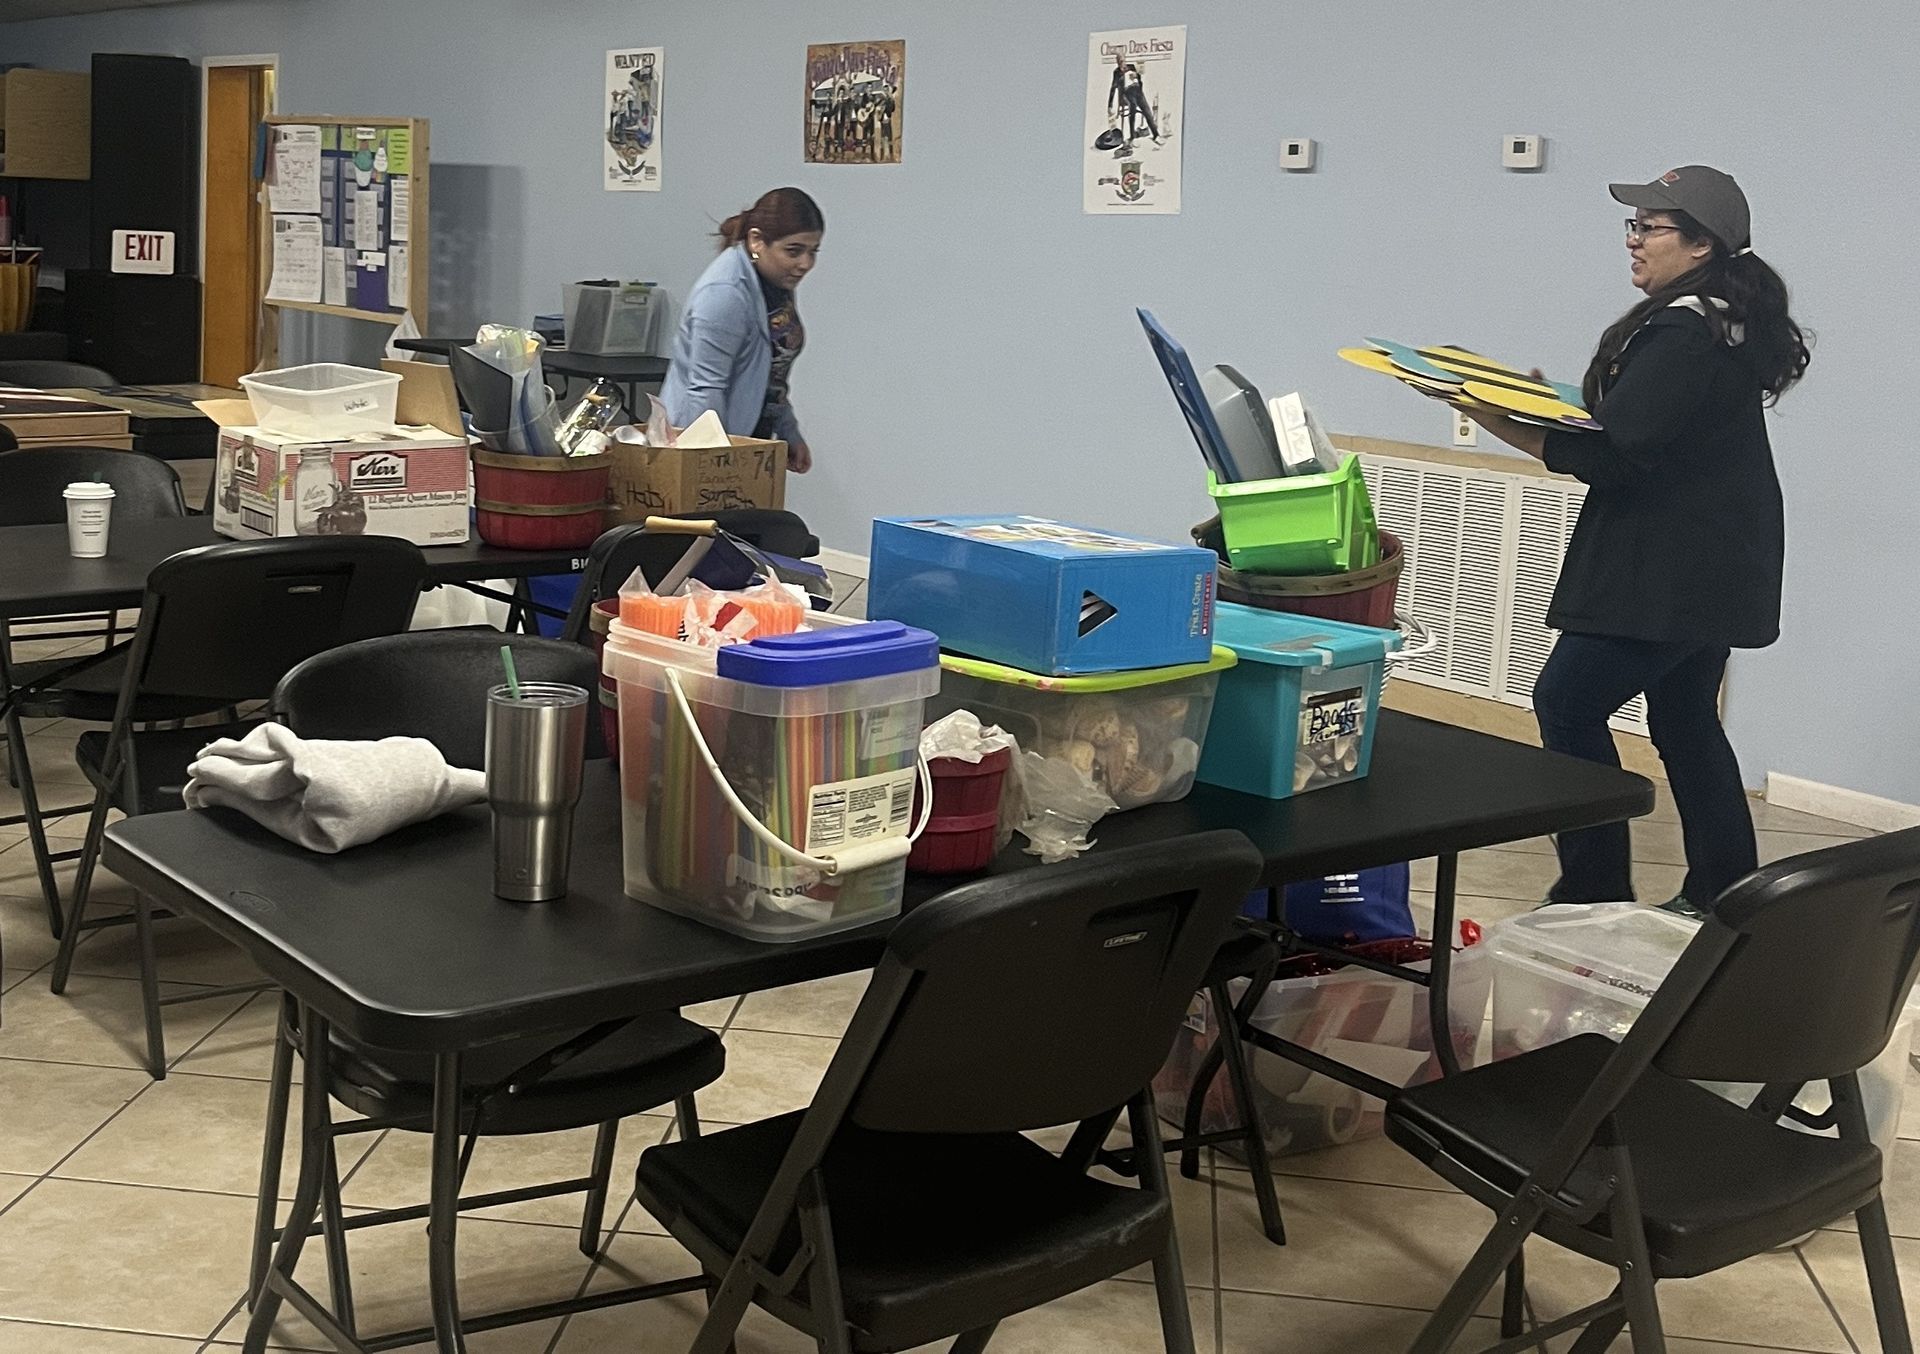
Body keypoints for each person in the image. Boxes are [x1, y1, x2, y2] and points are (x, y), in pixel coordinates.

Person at [1468, 165, 1810, 917]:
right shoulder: (1724, 319)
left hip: (1665, 573)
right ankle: (1724, 892)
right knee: (1686, 721)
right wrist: (1542, 405)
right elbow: (1646, 422)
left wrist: (1500, 420)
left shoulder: (1684, 329)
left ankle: (1592, 893)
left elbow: (1617, 456)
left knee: (1565, 702)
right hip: (1714, 566)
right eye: (1634, 225)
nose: (1633, 241)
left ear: (1699, 244)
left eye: (1648, 227)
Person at [661, 187, 823, 474]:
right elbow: (705, 389)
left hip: (749, 440)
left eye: (813, 251)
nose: (805, 264)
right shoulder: (725, 293)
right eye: (794, 251)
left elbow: (771, 369)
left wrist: (789, 430)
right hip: (703, 444)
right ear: (757, 241)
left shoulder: (776, 283)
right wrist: (714, 469)